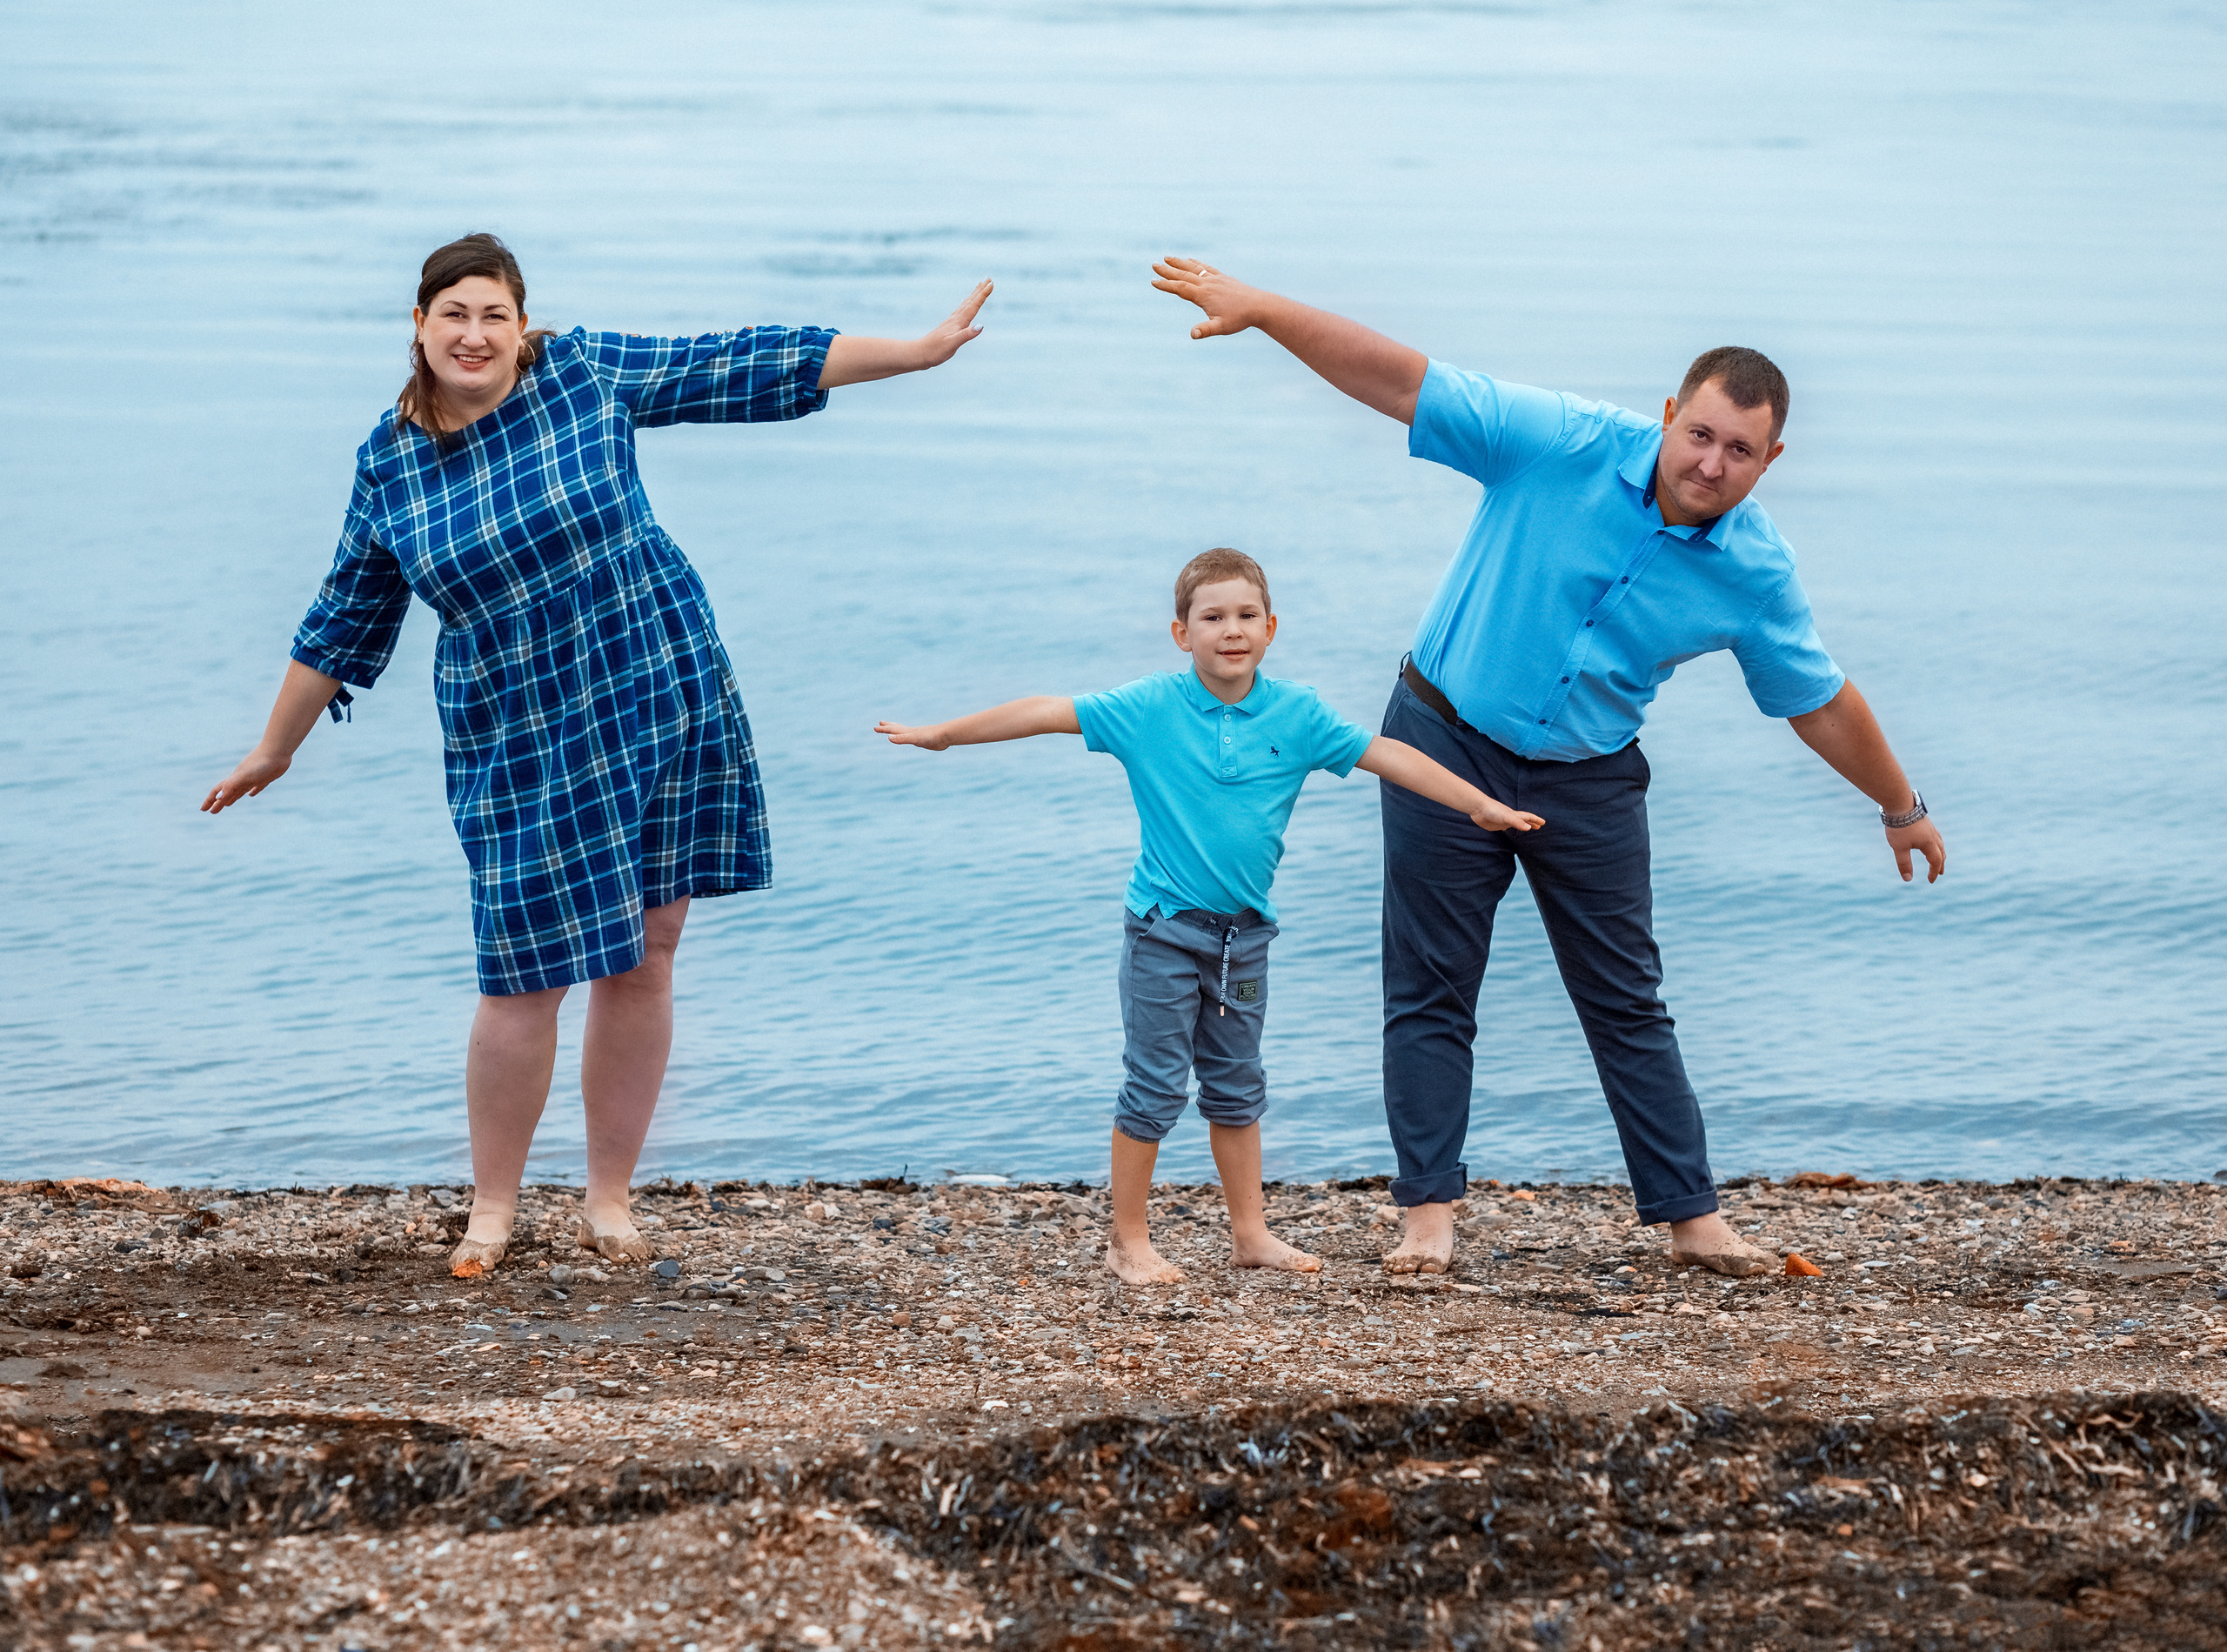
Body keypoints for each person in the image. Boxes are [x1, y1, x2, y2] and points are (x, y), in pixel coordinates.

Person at [203, 232, 991, 1277]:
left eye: (495, 315)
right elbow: (343, 617)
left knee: (649, 947)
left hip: (651, 675)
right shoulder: (389, 464)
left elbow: (732, 363)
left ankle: (609, 1200)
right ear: (419, 325)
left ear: (522, 324)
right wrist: (275, 749)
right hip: (515, 724)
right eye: (455, 315)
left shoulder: (578, 372)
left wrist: (913, 351)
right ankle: (492, 1209)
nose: (475, 335)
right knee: (520, 973)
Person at [1151, 257, 1949, 1280]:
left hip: (1587, 777)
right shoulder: (1560, 441)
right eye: (1698, 434)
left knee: (1626, 998)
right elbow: (1402, 381)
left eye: (1738, 451)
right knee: (1432, 985)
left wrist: (1899, 804)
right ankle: (1427, 1215)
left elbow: (1817, 699)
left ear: (1770, 458)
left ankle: (1690, 1218)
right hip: (1443, 736)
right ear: (1669, 413)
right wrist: (1263, 311)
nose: (1709, 464)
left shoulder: (1755, 572)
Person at [874, 548, 1543, 1284]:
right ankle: (1128, 1241)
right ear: (1180, 632)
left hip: (1244, 942)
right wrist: (940, 734)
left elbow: (1389, 755)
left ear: (1271, 627)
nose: (1232, 629)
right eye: (1213, 616)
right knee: (1155, 1085)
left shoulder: (1299, 714)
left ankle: (1250, 1233)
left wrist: (1477, 803)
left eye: (1246, 616)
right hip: (1163, 931)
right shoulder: (1149, 707)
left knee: (1236, 1086)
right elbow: (1045, 711)